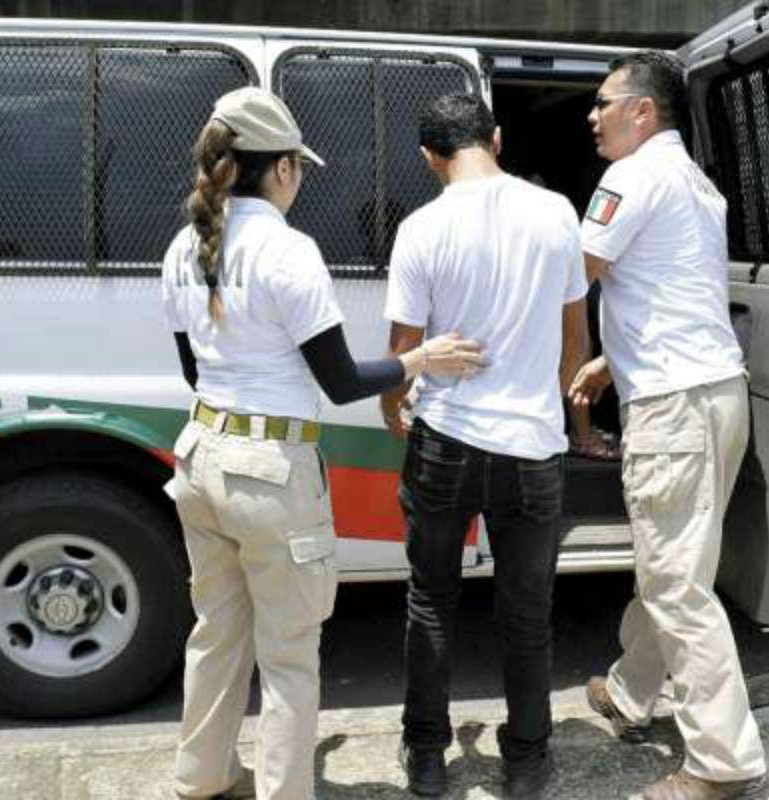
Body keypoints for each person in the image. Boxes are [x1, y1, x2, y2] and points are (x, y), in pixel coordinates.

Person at [161, 87, 485, 800]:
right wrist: (419, 360)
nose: (300, 178)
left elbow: (193, 370)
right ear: (280, 167)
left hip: (199, 455)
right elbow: (339, 381)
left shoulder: (184, 246)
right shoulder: (287, 250)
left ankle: (201, 777)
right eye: (298, 167)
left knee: (216, 633)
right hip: (270, 473)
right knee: (287, 654)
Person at [570, 53, 769, 800]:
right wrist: (611, 362)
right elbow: (674, 291)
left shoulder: (630, 177)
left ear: (642, 111)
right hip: (717, 393)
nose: (593, 116)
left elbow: (571, 274)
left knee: (677, 585)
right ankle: (631, 693)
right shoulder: (695, 183)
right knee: (678, 567)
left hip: (672, 408)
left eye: (604, 102)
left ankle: (723, 763)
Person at [379, 92, 589, 799]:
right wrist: (554, 411)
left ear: (429, 158)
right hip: (533, 446)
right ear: (496, 139)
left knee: (431, 600)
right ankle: (527, 761)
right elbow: (574, 336)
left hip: (446, 438)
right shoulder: (557, 213)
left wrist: (392, 408)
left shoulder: (421, 227)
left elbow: (404, 348)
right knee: (527, 614)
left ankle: (427, 757)